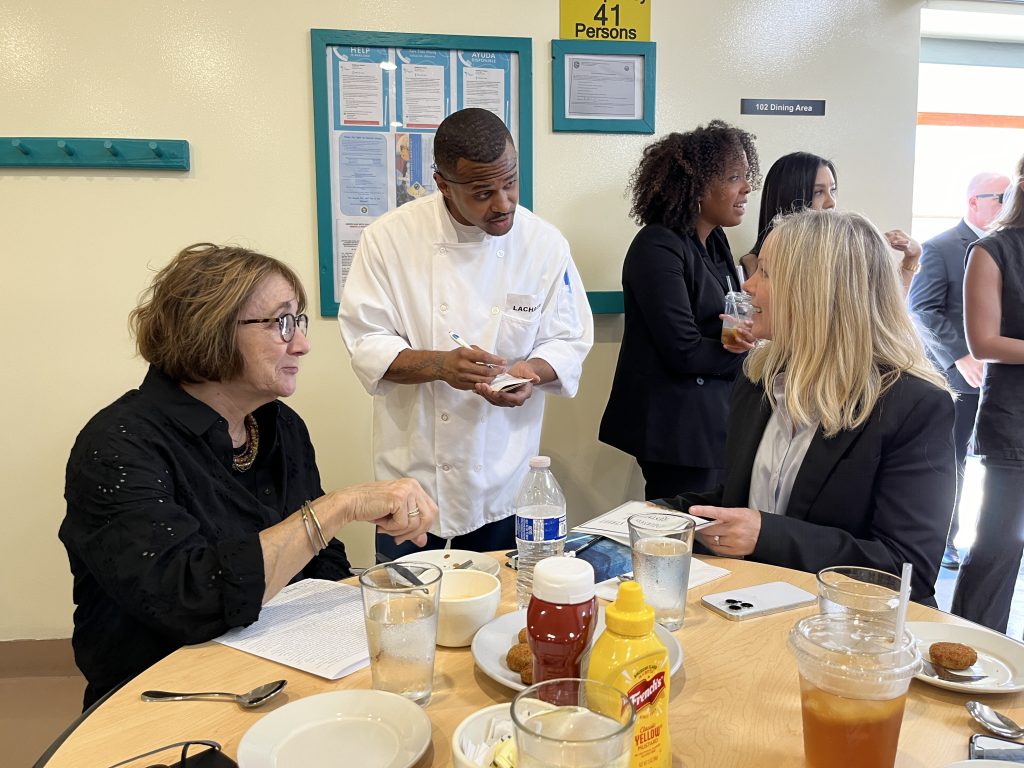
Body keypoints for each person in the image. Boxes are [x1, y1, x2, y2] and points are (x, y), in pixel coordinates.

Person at [60, 243, 436, 708]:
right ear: (209, 329)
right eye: (282, 323)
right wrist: (339, 506)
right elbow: (189, 600)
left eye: (297, 322)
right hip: (167, 696)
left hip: (277, 672)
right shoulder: (119, 444)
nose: (302, 343)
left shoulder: (279, 425)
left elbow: (319, 562)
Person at [661, 208, 956, 604]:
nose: (747, 285)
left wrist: (767, 535)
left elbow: (907, 569)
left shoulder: (914, 406)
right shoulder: (758, 379)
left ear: (814, 291)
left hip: (852, 629)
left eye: (764, 272)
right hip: (752, 602)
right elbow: (745, 498)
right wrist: (665, 514)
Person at [338, 108, 593, 559]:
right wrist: (441, 366)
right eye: (482, 192)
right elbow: (366, 343)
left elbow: (569, 337)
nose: (503, 202)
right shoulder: (389, 239)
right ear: (442, 184)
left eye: (510, 182)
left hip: (506, 483)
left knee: (507, 614)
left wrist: (527, 371)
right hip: (411, 484)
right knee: (411, 613)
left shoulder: (544, 244)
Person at [599, 121, 760, 500]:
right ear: (698, 186)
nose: (746, 188)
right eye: (734, 177)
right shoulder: (657, 247)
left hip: (713, 416)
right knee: (684, 534)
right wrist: (744, 350)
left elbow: (732, 320)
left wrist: (739, 339)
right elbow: (683, 350)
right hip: (676, 428)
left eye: (745, 175)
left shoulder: (715, 240)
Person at [908, 171, 1010, 570]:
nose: (1008, 202)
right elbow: (923, 310)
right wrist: (958, 356)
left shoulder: (1006, 249)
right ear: (973, 202)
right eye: (1001, 196)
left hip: (1001, 380)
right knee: (952, 463)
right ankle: (944, 541)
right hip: (959, 380)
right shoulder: (942, 247)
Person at [951, 158, 1024, 633]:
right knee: (997, 551)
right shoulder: (992, 249)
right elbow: (983, 343)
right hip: (1015, 424)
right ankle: (963, 663)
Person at [740, 151, 921, 297]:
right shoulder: (753, 266)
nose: (831, 202)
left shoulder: (845, 255)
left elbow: (884, 311)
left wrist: (911, 258)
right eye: (818, 192)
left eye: (832, 190)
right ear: (790, 198)